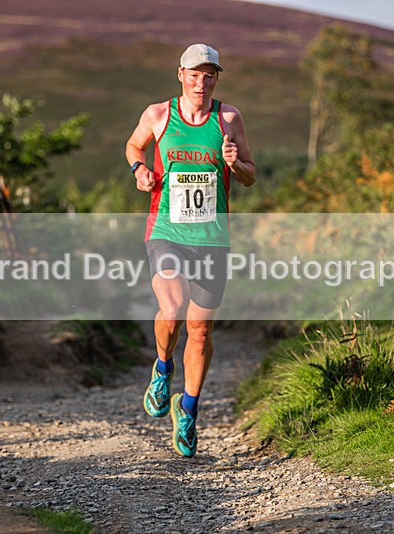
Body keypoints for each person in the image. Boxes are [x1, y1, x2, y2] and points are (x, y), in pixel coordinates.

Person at [125, 43, 255, 457]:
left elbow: (251, 175)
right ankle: (163, 368)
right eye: (195, 74)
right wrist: (139, 170)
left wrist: (235, 164)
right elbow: (134, 146)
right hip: (165, 229)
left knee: (200, 331)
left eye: (210, 75)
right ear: (180, 75)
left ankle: (189, 409)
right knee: (174, 307)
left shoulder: (228, 118)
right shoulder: (158, 114)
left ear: (217, 78)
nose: (202, 82)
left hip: (212, 238)